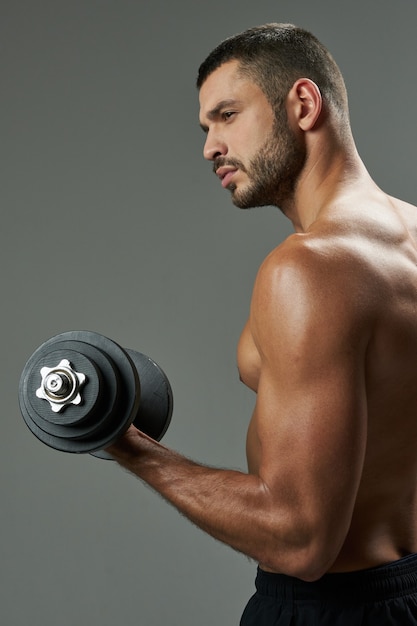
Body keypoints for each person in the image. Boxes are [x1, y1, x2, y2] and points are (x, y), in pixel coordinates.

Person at [107, 23, 417, 624]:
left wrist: (125, 445)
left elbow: (300, 540)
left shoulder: (309, 269)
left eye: (227, 115)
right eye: (205, 127)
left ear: (302, 103)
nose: (209, 147)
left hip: (331, 610)